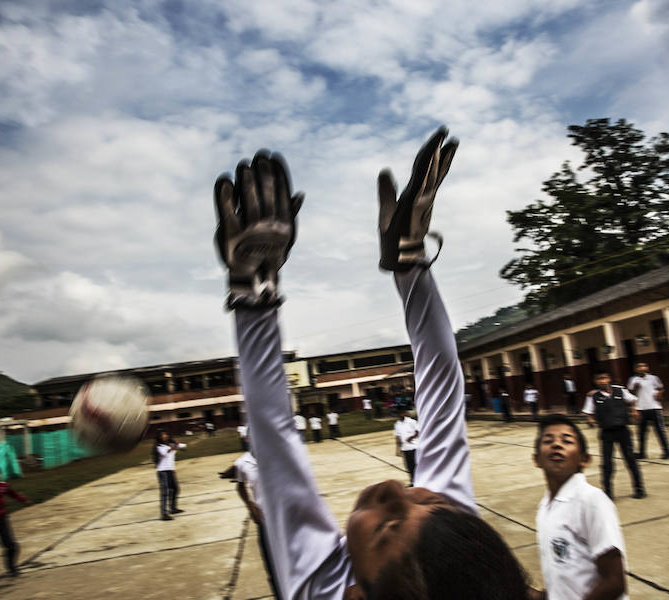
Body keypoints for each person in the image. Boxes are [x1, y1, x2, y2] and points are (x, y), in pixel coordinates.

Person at [211, 128, 530, 598]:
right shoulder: (454, 552)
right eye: (425, 499)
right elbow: (443, 386)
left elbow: (274, 434)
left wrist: (252, 287)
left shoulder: (321, 589)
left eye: (387, 528)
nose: (395, 488)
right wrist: (410, 260)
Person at [533, 414, 630, 600]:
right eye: (548, 440)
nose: (556, 445)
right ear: (536, 459)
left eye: (567, 441)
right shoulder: (545, 508)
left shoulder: (591, 500)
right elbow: (564, 583)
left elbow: (615, 581)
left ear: (584, 459)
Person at [224, 452, 283, 599]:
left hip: (285, 519)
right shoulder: (243, 462)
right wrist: (250, 506)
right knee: (272, 567)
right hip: (264, 521)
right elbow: (240, 486)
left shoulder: (277, 453)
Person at [583, 371, 646, 499]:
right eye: (599, 379)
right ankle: (608, 493)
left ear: (609, 379)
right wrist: (590, 419)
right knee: (607, 463)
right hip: (606, 433)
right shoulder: (593, 396)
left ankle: (639, 489)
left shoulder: (620, 391)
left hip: (623, 430)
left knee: (631, 460)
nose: (602, 381)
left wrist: (634, 411)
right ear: (596, 381)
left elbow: (633, 400)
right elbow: (588, 411)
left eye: (604, 378)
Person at [627, 362, 669, 460]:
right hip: (640, 409)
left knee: (660, 431)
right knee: (641, 433)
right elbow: (630, 393)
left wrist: (659, 393)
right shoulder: (633, 380)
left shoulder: (653, 378)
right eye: (639, 366)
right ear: (636, 369)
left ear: (647, 368)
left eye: (644, 366)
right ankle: (642, 453)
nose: (642, 368)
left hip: (654, 407)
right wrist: (633, 409)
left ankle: (667, 452)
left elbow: (661, 388)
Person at [153, 430, 187, 520]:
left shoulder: (170, 444)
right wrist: (173, 447)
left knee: (175, 489)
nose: (164, 436)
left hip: (171, 470)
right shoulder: (159, 446)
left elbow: (184, 446)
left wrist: (177, 445)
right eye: (162, 435)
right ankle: (163, 514)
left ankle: (173, 508)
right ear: (159, 437)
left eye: (165, 434)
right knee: (165, 492)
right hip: (162, 471)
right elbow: (165, 453)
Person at [394, 410, 419, 485]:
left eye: (400, 413)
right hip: (405, 448)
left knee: (416, 465)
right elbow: (397, 436)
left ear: (404, 413)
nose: (399, 415)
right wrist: (398, 449)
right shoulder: (397, 424)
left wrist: (411, 437)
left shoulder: (412, 422)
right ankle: (413, 481)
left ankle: (420, 480)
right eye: (397, 414)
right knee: (409, 466)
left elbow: (418, 432)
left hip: (414, 447)